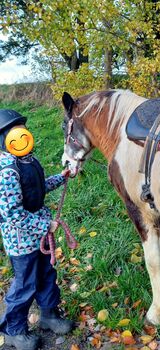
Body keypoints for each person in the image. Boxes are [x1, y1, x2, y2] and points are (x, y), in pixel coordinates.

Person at [0, 109, 74, 350]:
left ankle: (48, 315)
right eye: (14, 129)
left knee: (46, 275)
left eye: (22, 127)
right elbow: (12, 214)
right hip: (21, 240)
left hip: (39, 236)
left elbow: (37, 187)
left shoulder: (26, 160)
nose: (20, 133)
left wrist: (60, 178)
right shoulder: (6, 171)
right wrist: (44, 225)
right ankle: (14, 330)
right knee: (25, 284)